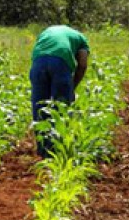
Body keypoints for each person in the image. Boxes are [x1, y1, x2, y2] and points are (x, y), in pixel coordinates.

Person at [29, 25, 90, 157]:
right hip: (60, 64)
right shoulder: (81, 39)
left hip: (38, 63)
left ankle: (43, 150)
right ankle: (59, 150)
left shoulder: (46, 31)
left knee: (40, 106)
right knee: (61, 106)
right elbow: (83, 64)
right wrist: (72, 87)